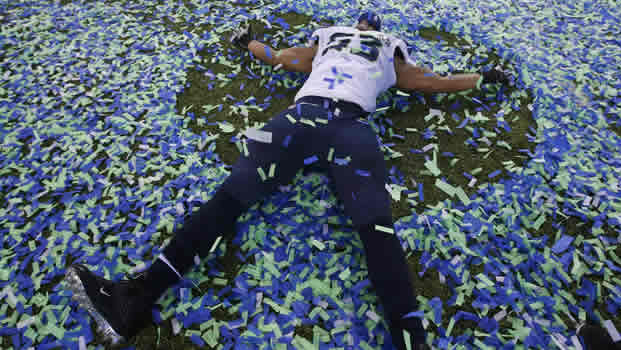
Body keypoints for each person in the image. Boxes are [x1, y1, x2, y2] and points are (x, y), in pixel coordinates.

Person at [64, 11, 510, 350]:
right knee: (376, 228)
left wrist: (249, 43)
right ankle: (412, 338)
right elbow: (429, 83)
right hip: (350, 130)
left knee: (230, 195)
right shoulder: (390, 47)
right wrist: (481, 78)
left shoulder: (331, 37)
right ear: (377, 28)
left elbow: (280, 57)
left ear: (354, 24)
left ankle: (137, 297)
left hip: (297, 119)